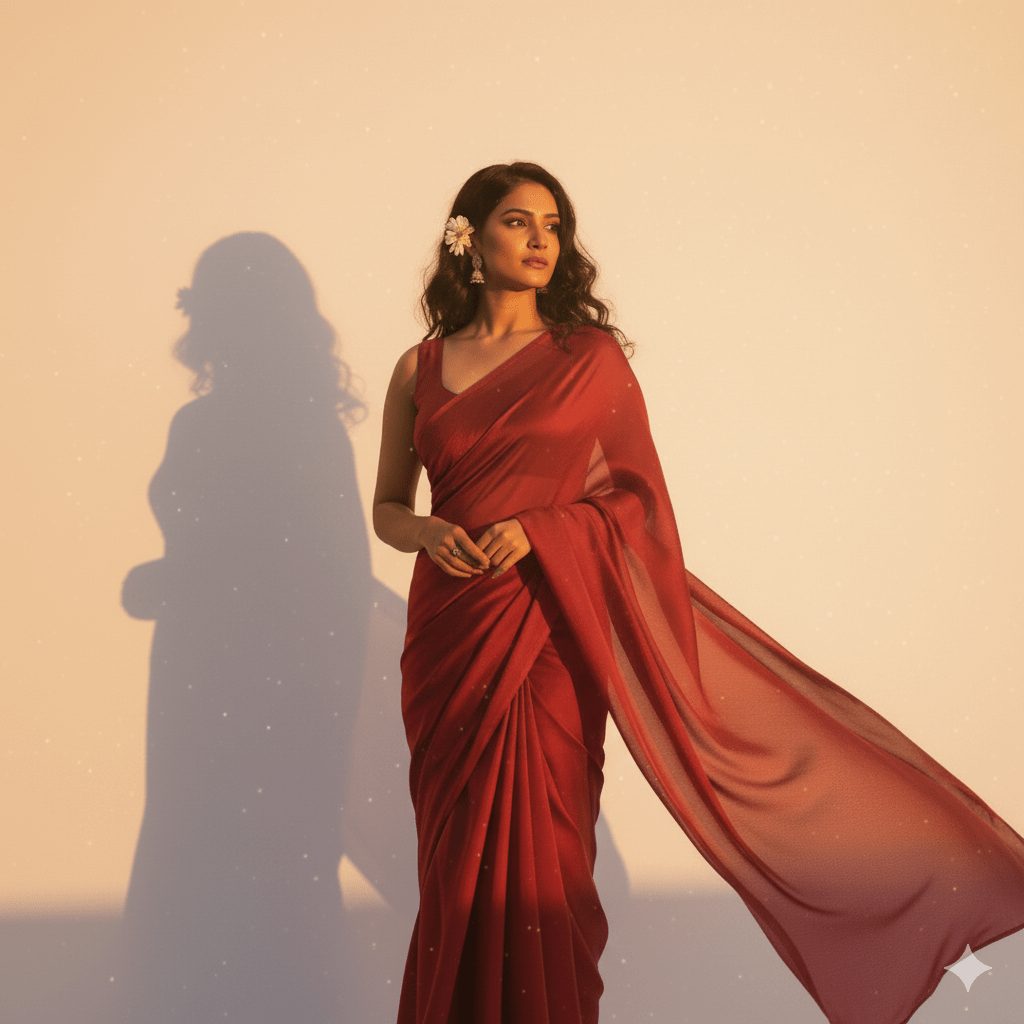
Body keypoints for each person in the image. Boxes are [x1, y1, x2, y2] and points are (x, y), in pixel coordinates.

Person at [371, 161, 1024, 1024]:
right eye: (518, 222)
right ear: (470, 237)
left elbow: (636, 502)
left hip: (553, 634)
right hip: (453, 640)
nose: (541, 241)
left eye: (553, 226)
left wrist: (540, 529)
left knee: (551, 868)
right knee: (455, 872)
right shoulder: (419, 369)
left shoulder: (586, 359)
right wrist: (425, 532)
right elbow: (387, 506)